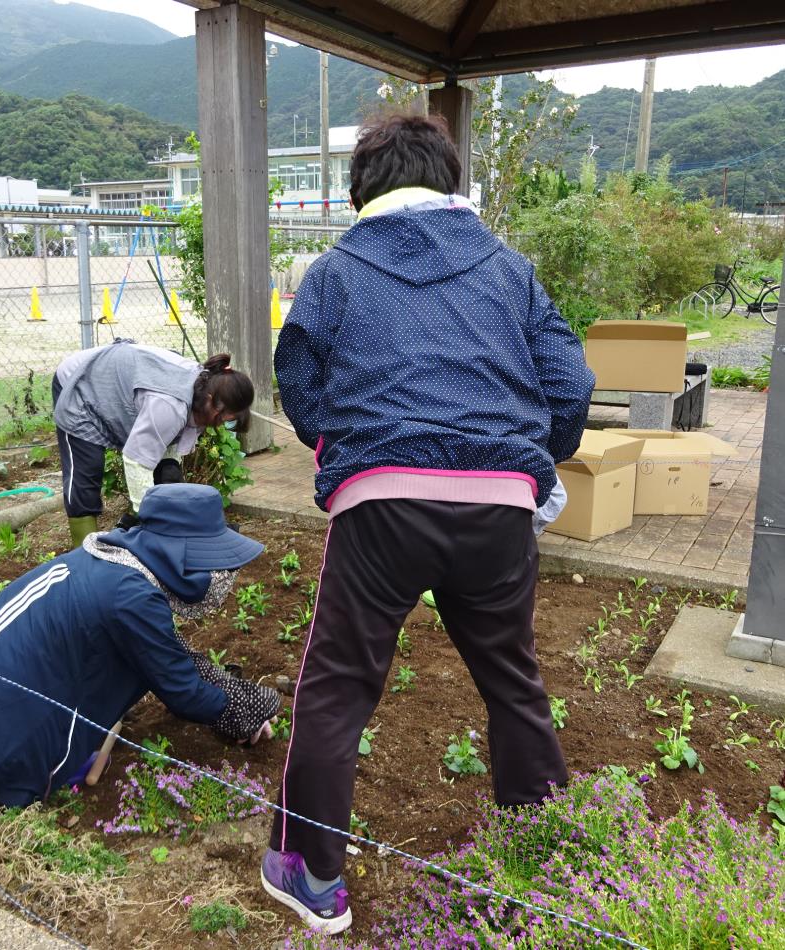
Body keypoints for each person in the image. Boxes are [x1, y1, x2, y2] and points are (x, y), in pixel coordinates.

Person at [261, 113, 595, 934]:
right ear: (449, 183)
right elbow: (571, 383)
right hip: (499, 506)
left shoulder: (335, 271)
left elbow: (298, 383)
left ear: (358, 191)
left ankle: (313, 876)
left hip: (382, 500)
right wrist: (524, 457)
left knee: (338, 687)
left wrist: (340, 444)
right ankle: (544, 852)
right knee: (513, 681)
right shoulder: (508, 269)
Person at [0, 483, 280, 807]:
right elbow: (183, 692)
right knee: (82, 748)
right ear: (186, 555)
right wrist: (241, 712)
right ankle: (17, 760)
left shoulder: (103, 557)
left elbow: (167, 651)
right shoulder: (135, 600)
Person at [51, 341, 254, 545]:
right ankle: (84, 555)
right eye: (225, 418)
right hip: (80, 382)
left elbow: (168, 441)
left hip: (116, 380)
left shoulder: (206, 387)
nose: (222, 423)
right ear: (211, 401)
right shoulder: (170, 405)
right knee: (87, 473)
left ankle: (139, 537)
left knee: (168, 474)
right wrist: (150, 522)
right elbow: (136, 461)